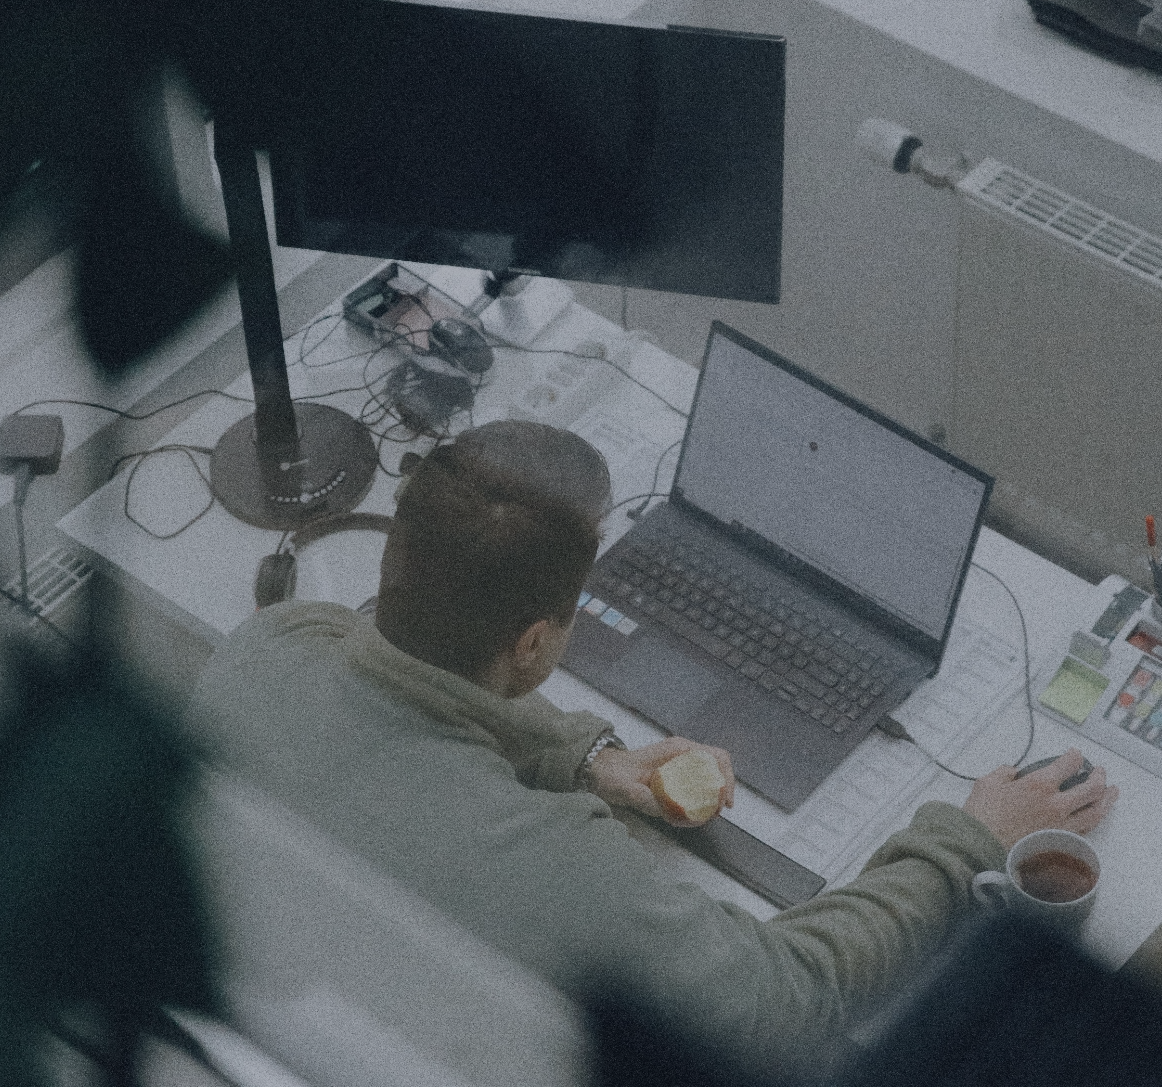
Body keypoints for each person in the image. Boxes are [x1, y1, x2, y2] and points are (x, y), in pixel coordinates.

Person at [187, 420, 1117, 1070]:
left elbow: (397, 676)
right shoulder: (559, 864)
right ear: (534, 643)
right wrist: (965, 839)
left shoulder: (267, 649)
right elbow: (793, 1001)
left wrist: (589, 759)